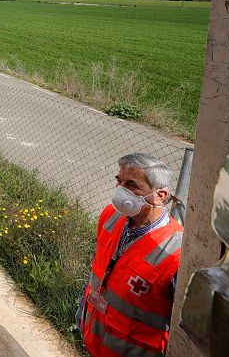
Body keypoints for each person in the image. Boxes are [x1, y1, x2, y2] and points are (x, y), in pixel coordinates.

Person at [77, 152, 183, 357]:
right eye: (119, 181)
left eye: (131, 185)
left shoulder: (177, 252)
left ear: (160, 196)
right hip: (93, 332)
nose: (121, 191)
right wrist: (83, 309)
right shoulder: (111, 215)